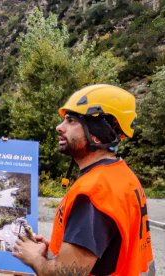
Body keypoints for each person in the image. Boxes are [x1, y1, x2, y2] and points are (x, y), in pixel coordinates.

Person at [12, 84, 155, 275]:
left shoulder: (95, 191)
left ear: (97, 133)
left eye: (71, 121)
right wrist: (58, 252)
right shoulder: (121, 175)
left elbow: (67, 274)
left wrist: (34, 258)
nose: (59, 128)